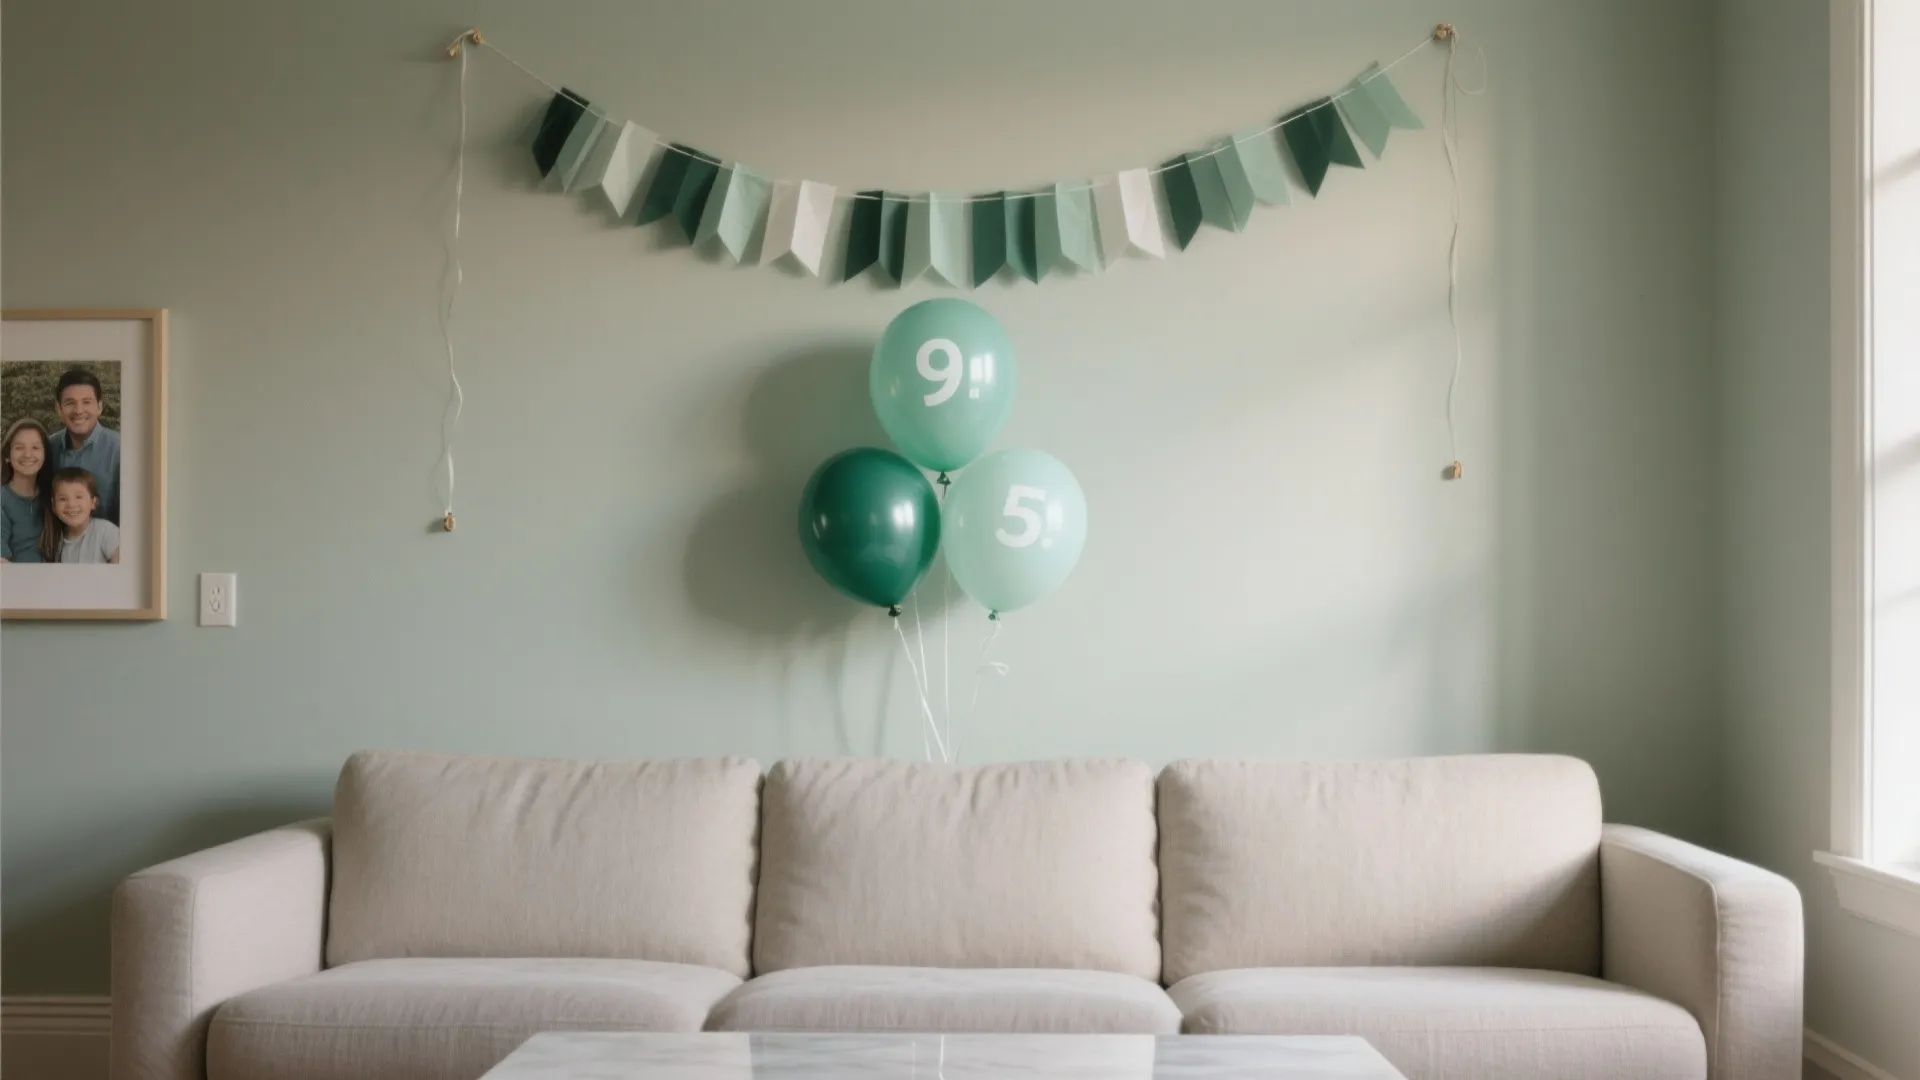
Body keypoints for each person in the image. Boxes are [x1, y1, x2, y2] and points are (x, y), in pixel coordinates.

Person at [47, 368, 120, 525]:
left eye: (86, 402)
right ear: (59, 409)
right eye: (70, 403)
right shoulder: (47, 448)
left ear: (99, 407)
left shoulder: (120, 450)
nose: (78, 410)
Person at [1, 418, 51, 563]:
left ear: (45, 454)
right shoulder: (3, 500)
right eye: (19, 448)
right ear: (7, 456)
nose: (28, 454)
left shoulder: (54, 497)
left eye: (35, 448)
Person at [49, 467, 119, 564]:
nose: (71, 504)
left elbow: (123, 572)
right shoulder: (57, 543)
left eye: (79, 497)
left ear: (93, 503)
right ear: (53, 506)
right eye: (63, 499)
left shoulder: (106, 532)